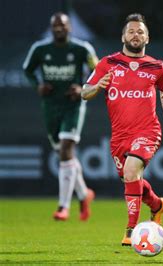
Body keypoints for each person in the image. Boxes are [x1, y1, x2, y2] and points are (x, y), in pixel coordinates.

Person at [81, 13, 163, 245]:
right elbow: (84, 92)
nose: (135, 35)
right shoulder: (107, 63)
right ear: (123, 36)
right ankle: (158, 205)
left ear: (147, 37)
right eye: (131, 31)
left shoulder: (156, 66)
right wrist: (98, 86)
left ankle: (131, 230)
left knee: (131, 171)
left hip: (148, 131)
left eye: (140, 31)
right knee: (131, 178)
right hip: (119, 136)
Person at [23, 12, 96, 221]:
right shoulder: (40, 49)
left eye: (62, 25)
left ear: (69, 27)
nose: (58, 29)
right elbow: (27, 70)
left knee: (65, 149)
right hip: (50, 106)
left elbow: (99, 71)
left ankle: (63, 206)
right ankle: (84, 194)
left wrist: (83, 87)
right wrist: (38, 85)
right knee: (64, 154)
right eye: (55, 25)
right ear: (51, 27)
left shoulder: (82, 49)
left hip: (72, 105)